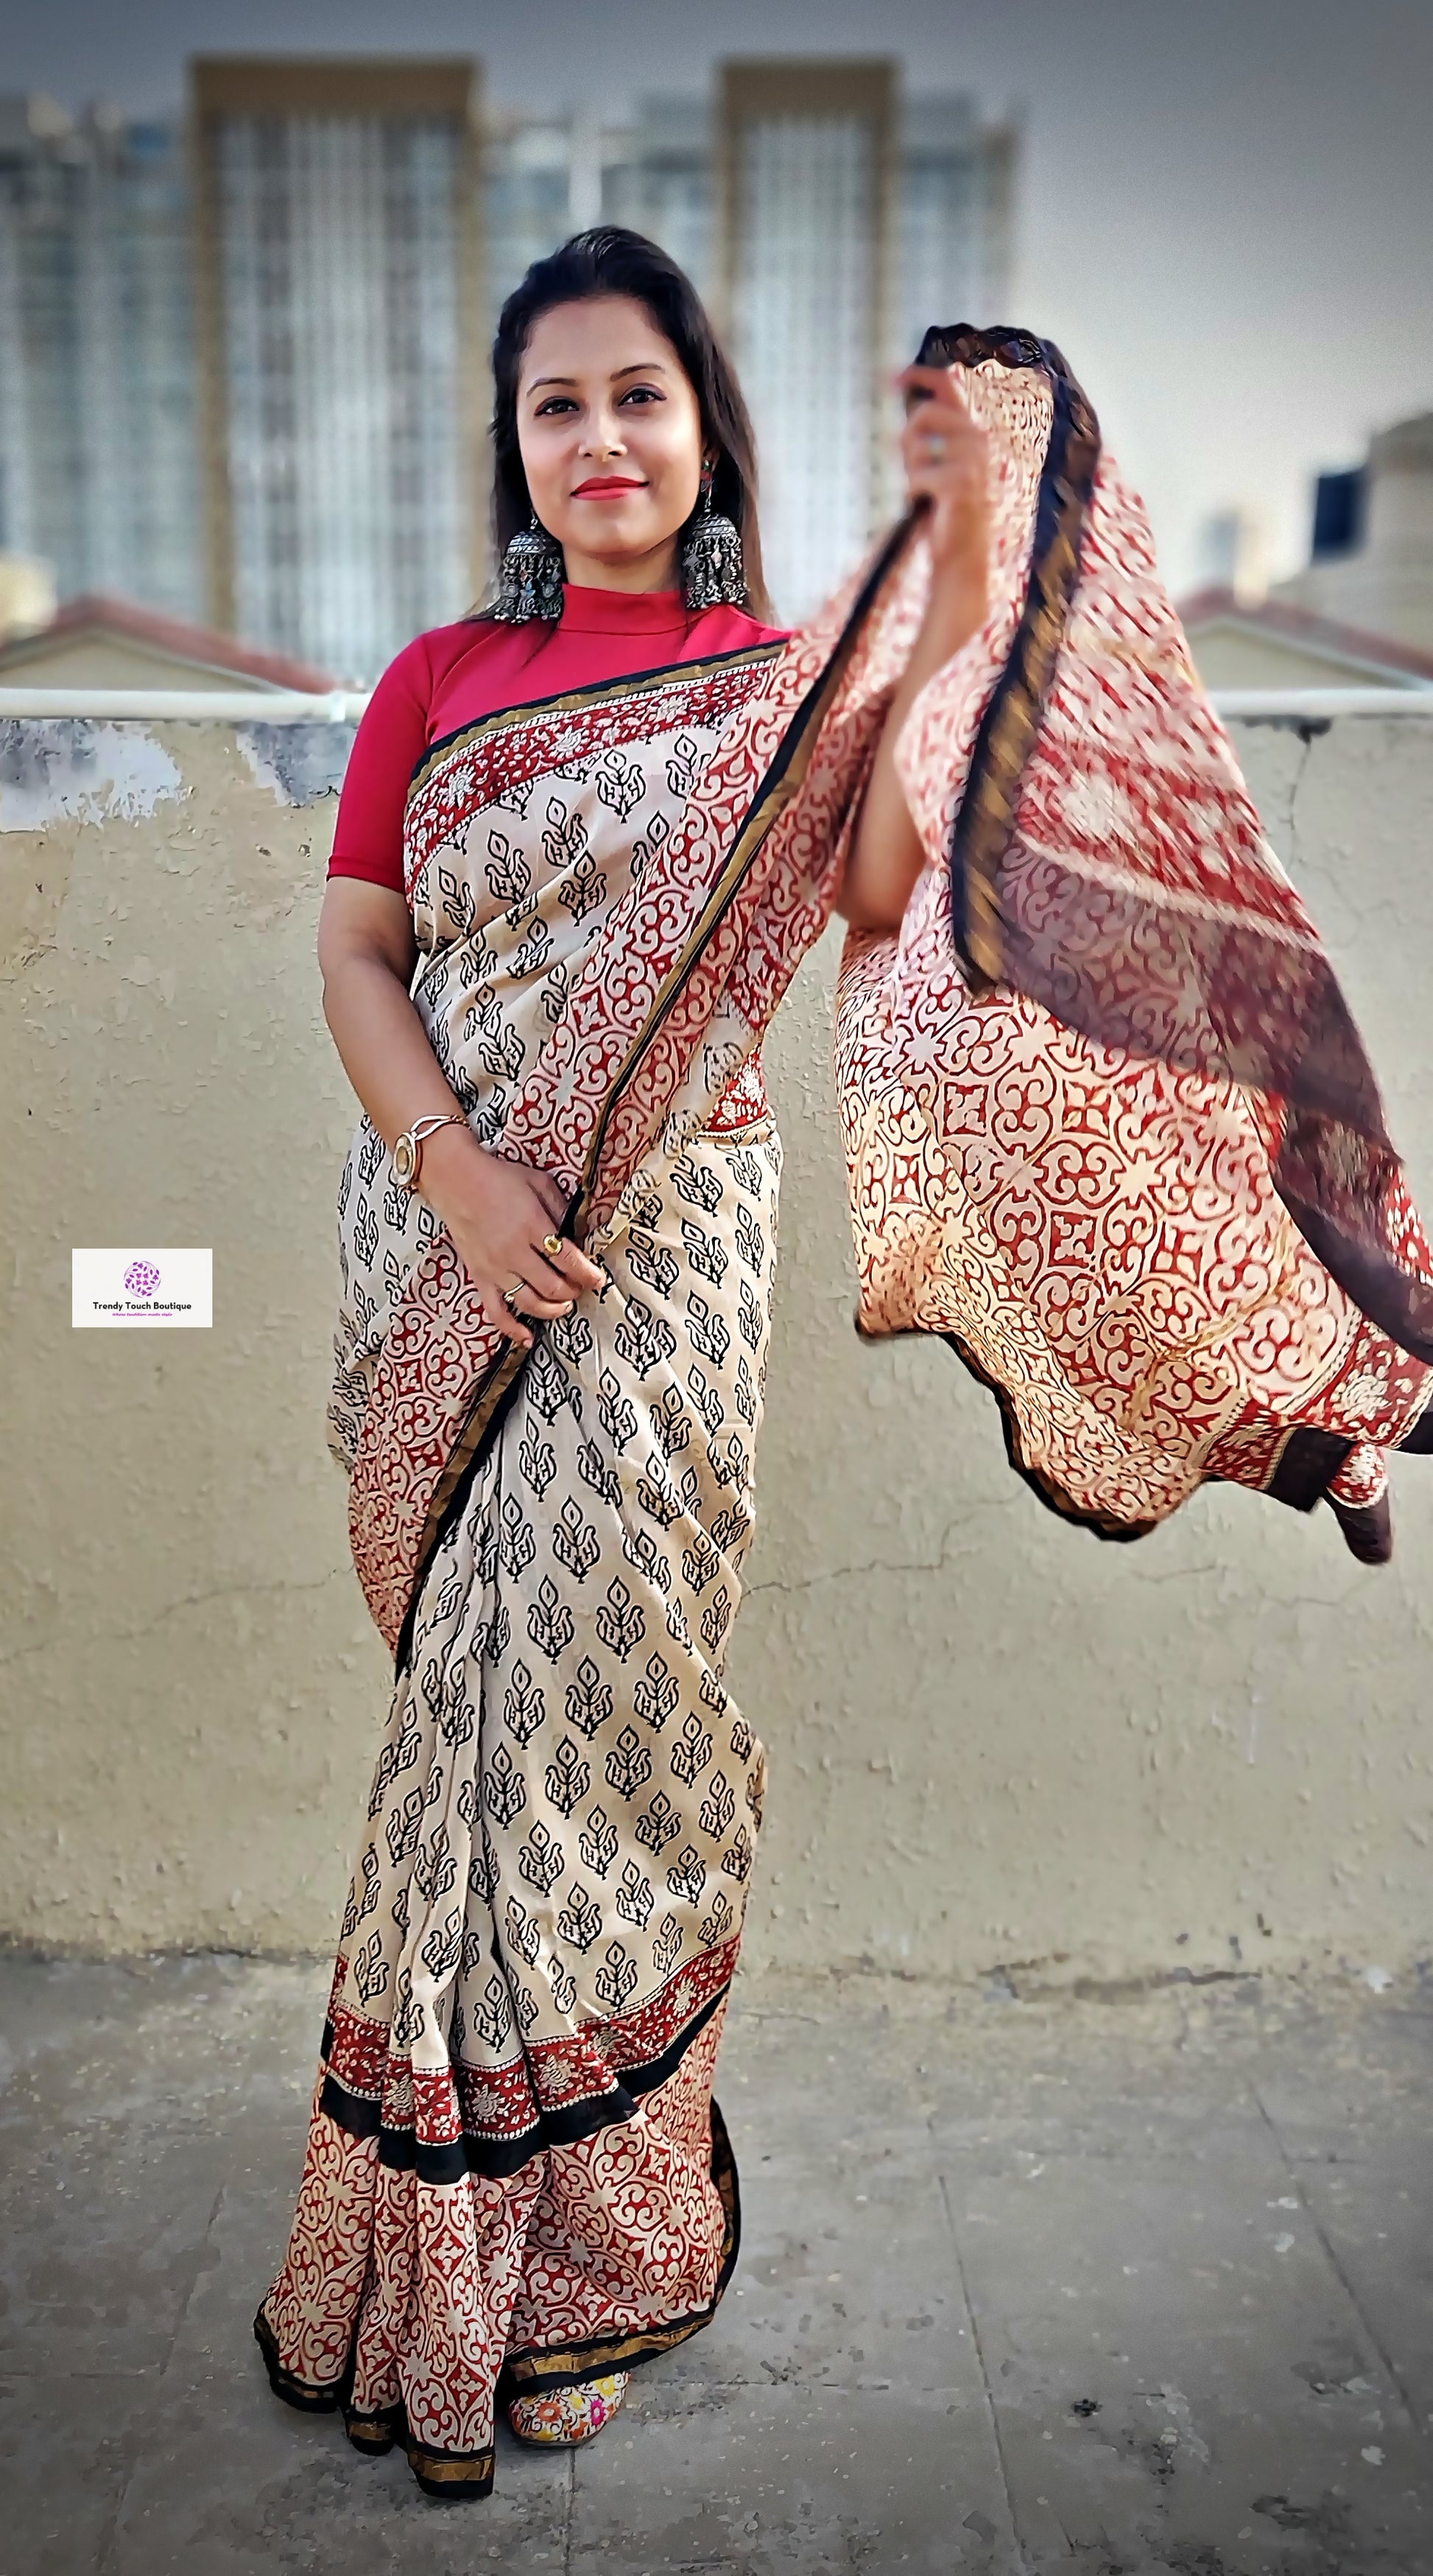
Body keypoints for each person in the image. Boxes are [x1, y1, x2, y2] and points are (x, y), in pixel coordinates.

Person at [255, 230, 1433, 2501]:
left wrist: (981, 540)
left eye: (638, 396)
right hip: (443, 1255)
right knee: (457, 1753)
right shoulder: (432, 680)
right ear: (513, 451)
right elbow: (358, 951)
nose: (599, 440)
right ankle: (424, 2269)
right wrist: (463, 1182)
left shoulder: (777, 684)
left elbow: (917, 891)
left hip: (665, 1265)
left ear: (704, 428)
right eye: (554, 405)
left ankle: (591, 2261)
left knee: (600, 1721)